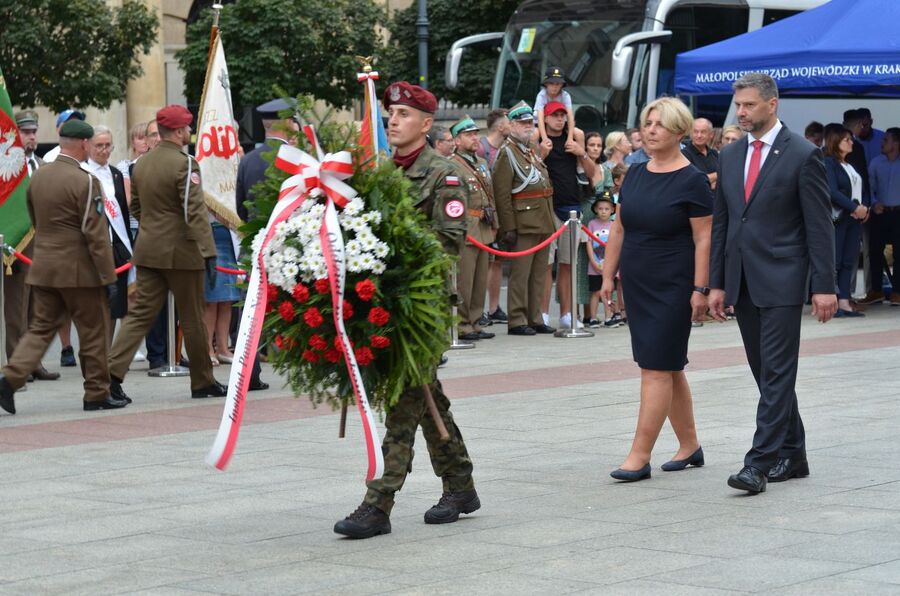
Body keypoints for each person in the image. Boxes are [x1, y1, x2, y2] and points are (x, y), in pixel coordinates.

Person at [334, 82, 479, 539]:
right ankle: (461, 485)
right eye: (389, 113)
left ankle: (378, 503)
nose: (392, 120)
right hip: (380, 304)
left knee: (404, 401)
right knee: (426, 398)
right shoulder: (380, 173)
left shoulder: (445, 175)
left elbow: (448, 243)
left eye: (402, 114)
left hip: (423, 307)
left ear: (425, 123)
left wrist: (390, 255)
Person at [708, 73, 836, 495]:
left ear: (772, 104)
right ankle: (794, 453)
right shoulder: (729, 156)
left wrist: (825, 285)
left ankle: (758, 463)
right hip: (742, 281)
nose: (741, 113)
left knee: (778, 371)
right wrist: (717, 284)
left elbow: (819, 226)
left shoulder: (802, 154)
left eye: (748, 105)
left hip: (783, 278)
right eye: (738, 106)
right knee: (766, 373)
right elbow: (724, 224)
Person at [600, 97, 712, 482]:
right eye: (647, 122)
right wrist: (607, 275)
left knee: (655, 368)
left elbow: (704, 239)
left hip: (674, 284)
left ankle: (639, 455)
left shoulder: (693, 179)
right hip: (638, 281)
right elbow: (619, 227)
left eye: (659, 124)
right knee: (667, 366)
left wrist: (700, 288)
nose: (650, 130)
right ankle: (690, 445)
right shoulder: (636, 174)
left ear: (679, 132)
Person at [0, 120, 125, 414]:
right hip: (80, 271)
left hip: (44, 266)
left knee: (40, 329)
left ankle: (9, 378)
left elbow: (34, 218)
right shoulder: (87, 181)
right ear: (83, 144)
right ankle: (96, 393)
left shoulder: (39, 176)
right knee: (94, 331)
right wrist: (108, 277)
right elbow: (94, 234)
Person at [107, 105, 227, 402]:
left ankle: (109, 376)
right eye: (186, 127)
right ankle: (202, 381)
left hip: (148, 249)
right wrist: (208, 252)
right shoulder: (186, 164)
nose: (189, 131)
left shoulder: (142, 163)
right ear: (177, 132)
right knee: (194, 318)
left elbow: (136, 207)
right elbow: (194, 211)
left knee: (138, 317)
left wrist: (152, 230)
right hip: (182, 252)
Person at [492, 101, 557, 336]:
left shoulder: (529, 150)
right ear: (511, 125)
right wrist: (508, 227)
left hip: (541, 218)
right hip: (523, 221)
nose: (528, 127)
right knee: (521, 274)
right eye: (522, 123)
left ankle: (534, 316)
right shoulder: (507, 153)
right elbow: (502, 193)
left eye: (530, 122)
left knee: (539, 272)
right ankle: (517, 319)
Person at [4, 111, 60, 382]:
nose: (32, 137)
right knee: (17, 307)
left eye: (34, 132)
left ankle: (34, 362)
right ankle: (17, 365)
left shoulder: (42, 166)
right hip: (16, 246)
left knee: (39, 307)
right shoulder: (6, 170)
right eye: (26, 132)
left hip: (43, 245)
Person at [538, 101, 596, 329]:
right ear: (546, 118)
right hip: (548, 208)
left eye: (562, 115)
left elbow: (593, 175)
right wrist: (542, 154)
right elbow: (529, 171)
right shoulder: (542, 142)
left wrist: (582, 153)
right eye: (554, 115)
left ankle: (566, 314)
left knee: (567, 264)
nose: (559, 119)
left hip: (573, 208)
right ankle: (542, 313)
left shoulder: (573, 142)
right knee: (546, 264)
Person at [83, 125, 135, 339]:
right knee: (95, 304)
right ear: (88, 146)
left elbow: (122, 210)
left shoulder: (115, 174)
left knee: (116, 303)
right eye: (99, 145)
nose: (103, 150)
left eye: (107, 146)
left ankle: (108, 353)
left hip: (118, 249)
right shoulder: (82, 173)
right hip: (94, 247)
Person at [450, 115, 497, 341]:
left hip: (484, 227)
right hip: (467, 227)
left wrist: (495, 223)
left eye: (475, 134)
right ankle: (462, 324)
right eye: (468, 135)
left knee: (480, 280)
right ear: (457, 141)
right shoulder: (452, 164)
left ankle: (476, 321)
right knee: (465, 280)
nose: (474, 138)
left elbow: (491, 195)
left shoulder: (481, 163)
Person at [823, 124, 868, 317]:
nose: (851, 143)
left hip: (854, 219)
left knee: (849, 260)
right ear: (835, 142)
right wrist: (854, 208)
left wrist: (865, 208)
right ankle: (832, 301)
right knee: (836, 260)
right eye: (846, 140)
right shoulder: (828, 163)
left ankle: (844, 301)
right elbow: (831, 191)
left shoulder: (849, 165)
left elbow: (862, 189)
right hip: (839, 218)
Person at [477, 109, 510, 327]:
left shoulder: (505, 148)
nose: (511, 125)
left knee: (497, 260)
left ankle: (494, 306)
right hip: (485, 211)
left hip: (499, 210)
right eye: (508, 122)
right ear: (499, 126)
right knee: (484, 262)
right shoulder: (482, 147)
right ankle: (480, 308)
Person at [865, 127, 900, 306]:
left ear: (896, 143)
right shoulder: (876, 163)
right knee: (874, 251)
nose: (881, 142)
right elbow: (869, 186)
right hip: (880, 212)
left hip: (898, 213)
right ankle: (876, 290)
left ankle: (897, 292)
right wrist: (873, 202)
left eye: (886, 140)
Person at [585, 193, 616, 326]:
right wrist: (593, 262)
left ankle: (608, 317)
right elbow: (589, 244)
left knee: (608, 291)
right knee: (596, 292)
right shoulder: (592, 224)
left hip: (609, 266)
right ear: (596, 210)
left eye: (607, 209)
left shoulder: (614, 225)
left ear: (612, 210)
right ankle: (593, 317)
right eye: (601, 209)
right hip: (595, 266)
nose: (603, 212)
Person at [535, 66, 575, 147]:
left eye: (558, 84)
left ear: (562, 85)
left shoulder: (565, 96)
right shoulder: (541, 96)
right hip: (542, 123)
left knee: (579, 134)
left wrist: (570, 138)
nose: (555, 86)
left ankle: (580, 159)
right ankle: (534, 157)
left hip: (559, 123)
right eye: (551, 83)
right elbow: (540, 117)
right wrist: (544, 138)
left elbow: (570, 116)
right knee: (534, 134)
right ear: (546, 84)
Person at [116, 121, 149, 204]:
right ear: (133, 142)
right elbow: (128, 198)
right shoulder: (124, 165)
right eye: (141, 138)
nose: (145, 141)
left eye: (147, 138)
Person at [682, 117, 719, 190]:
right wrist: (718, 174)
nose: (699, 135)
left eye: (703, 132)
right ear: (691, 133)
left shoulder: (715, 154)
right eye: (695, 131)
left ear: (711, 134)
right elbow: (693, 181)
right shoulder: (684, 155)